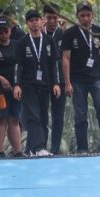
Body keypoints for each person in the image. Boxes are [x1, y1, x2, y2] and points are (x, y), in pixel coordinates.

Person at [62, 1, 100, 154]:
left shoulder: (99, 31)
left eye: (88, 15)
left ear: (93, 15)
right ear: (77, 16)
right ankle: (82, 148)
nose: (85, 18)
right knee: (80, 114)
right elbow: (65, 58)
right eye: (82, 16)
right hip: (77, 80)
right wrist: (67, 83)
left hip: (96, 78)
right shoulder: (70, 33)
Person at [13, 9, 62, 157]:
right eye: (31, 20)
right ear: (27, 23)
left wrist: (56, 83)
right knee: (33, 116)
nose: (34, 23)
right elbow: (17, 65)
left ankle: (33, 149)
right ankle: (39, 147)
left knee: (43, 117)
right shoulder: (23, 42)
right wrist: (16, 85)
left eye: (36, 20)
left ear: (41, 21)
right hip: (28, 85)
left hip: (45, 84)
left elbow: (54, 64)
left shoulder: (48, 40)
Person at [0, 16, 23, 157]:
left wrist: (18, 85)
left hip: (15, 88)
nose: (3, 34)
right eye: (0, 32)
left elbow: (20, 66)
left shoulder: (17, 45)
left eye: (5, 31)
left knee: (14, 118)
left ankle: (18, 151)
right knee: (0, 118)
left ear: (10, 30)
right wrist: (1, 79)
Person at [43, 2, 67, 154]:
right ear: (43, 18)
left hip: (60, 80)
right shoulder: (38, 33)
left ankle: (55, 149)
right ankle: (40, 146)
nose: (52, 21)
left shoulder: (63, 34)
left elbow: (66, 57)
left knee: (58, 116)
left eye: (54, 18)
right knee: (42, 115)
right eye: (48, 18)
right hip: (42, 81)